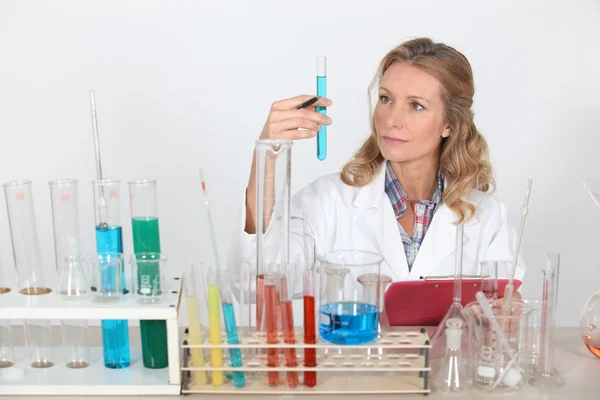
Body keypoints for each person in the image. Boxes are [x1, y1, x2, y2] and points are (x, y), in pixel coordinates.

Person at [228, 38, 524, 298]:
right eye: (386, 99)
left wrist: (505, 314)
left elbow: (502, 311)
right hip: (357, 361)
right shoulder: (330, 201)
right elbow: (254, 284)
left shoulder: (486, 216)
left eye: (416, 105)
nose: (392, 119)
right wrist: (266, 153)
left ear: (449, 123)